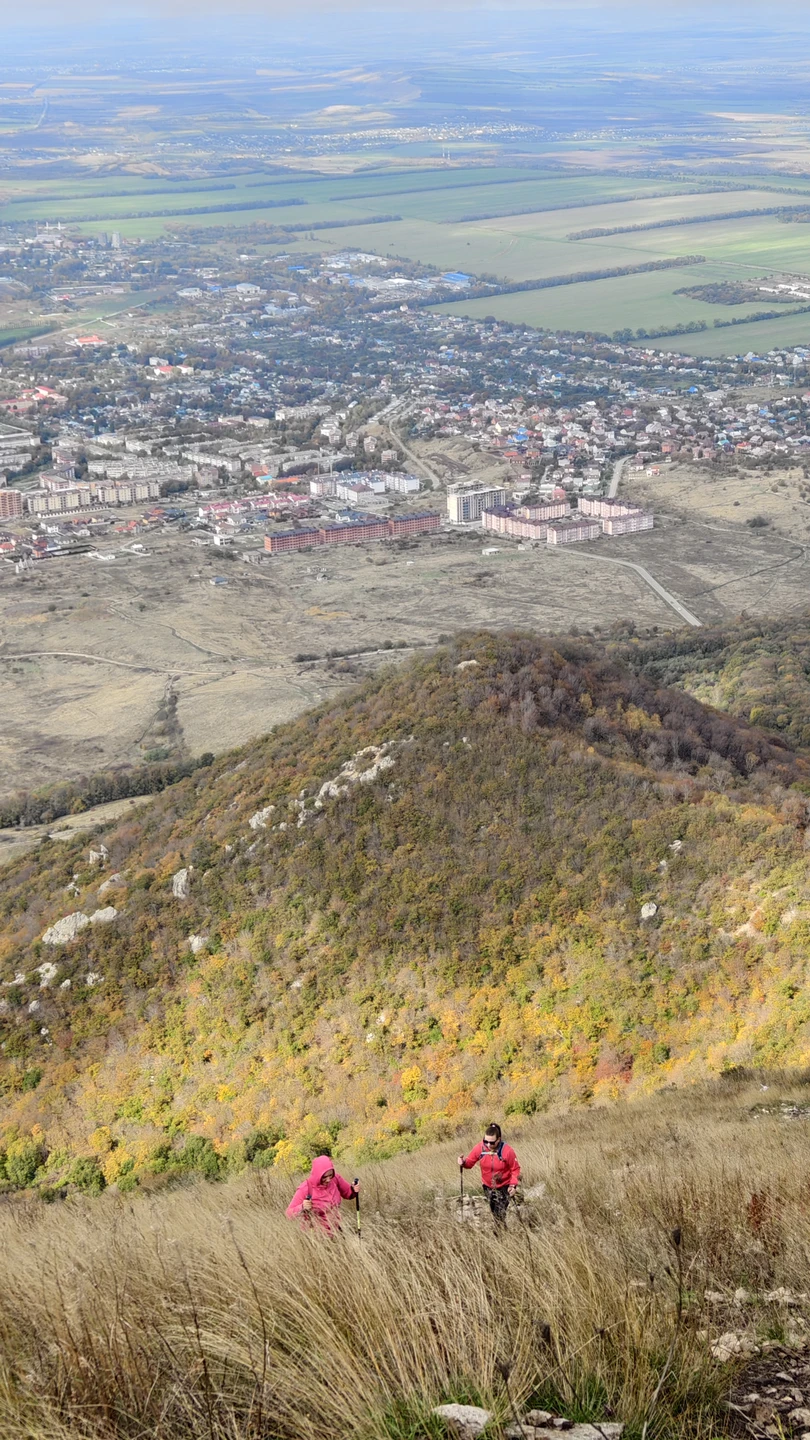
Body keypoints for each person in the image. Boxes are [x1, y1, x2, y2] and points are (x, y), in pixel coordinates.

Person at [458, 1123, 521, 1225]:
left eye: (492, 1143)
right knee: (494, 1211)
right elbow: (469, 1163)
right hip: (487, 1186)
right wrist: (463, 1162)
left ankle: (499, 1235)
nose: (488, 1145)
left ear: (499, 1139)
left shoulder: (507, 1151)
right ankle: (502, 1234)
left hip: (504, 1186)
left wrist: (513, 1185)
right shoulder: (480, 1148)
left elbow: (515, 1169)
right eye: (485, 1141)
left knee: (499, 1214)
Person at [286, 1155, 358, 1235]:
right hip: (316, 1236)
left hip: (337, 1230)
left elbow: (348, 1194)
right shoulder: (305, 1189)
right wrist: (302, 1207)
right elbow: (289, 1214)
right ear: (317, 1174)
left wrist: (353, 1189)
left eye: (330, 1175)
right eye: (324, 1177)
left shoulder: (335, 1179)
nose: (328, 1180)